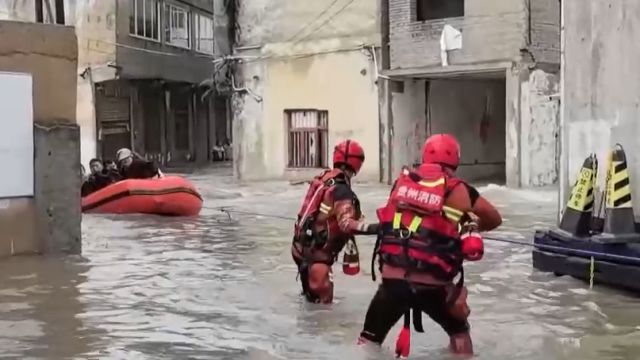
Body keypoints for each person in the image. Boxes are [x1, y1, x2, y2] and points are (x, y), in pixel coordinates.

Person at [357, 134, 502, 357]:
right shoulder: (460, 189)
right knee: (460, 332)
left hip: (393, 281)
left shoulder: (401, 184)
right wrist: (468, 225)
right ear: (455, 160)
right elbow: (494, 218)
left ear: (424, 156)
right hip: (433, 285)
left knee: (368, 340)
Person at [290, 139, 378, 304]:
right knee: (324, 313)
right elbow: (347, 224)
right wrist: (379, 228)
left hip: (300, 250)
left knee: (310, 305)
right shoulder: (341, 190)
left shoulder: (324, 179)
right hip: (318, 260)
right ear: (356, 164)